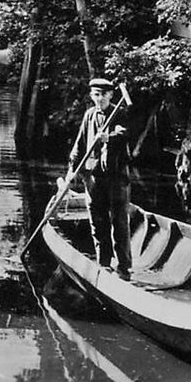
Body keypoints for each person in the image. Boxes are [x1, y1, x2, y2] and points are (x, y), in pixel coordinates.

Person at [68, 77, 133, 280]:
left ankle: (123, 267)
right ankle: (104, 264)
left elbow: (125, 134)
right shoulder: (89, 115)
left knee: (119, 222)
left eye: (103, 94)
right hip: (93, 177)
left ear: (111, 95)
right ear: (91, 96)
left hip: (116, 177)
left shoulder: (120, 113)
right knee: (98, 221)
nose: (100, 98)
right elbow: (79, 144)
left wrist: (109, 138)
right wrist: (72, 168)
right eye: (96, 94)